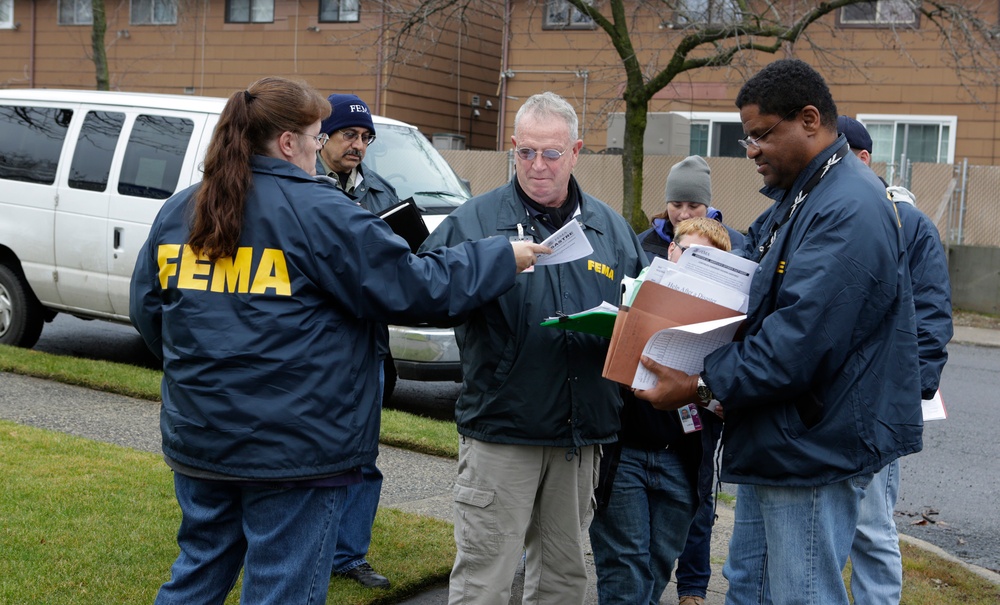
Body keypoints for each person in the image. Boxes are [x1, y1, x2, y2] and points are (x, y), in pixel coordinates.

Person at [129, 76, 548, 605]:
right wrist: (498, 257)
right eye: (314, 137)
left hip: (202, 437)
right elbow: (414, 286)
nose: (316, 149)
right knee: (283, 587)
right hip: (296, 450)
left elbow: (148, 313)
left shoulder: (182, 209)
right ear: (288, 143)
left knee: (197, 572)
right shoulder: (319, 211)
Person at [633, 59, 922, 605]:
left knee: (799, 594)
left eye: (761, 134)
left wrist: (700, 386)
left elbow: (796, 343)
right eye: (747, 137)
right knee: (750, 587)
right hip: (780, 440)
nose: (752, 150)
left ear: (809, 120)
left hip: (811, 448)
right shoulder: (808, 197)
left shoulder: (847, 208)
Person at [420, 91, 647, 605]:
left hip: (579, 436)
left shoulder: (609, 229)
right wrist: (488, 267)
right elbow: (426, 295)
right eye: (526, 152)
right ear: (513, 149)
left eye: (551, 153)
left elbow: (640, 311)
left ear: (575, 152)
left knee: (565, 581)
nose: (538, 165)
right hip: (504, 432)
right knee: (484, 581)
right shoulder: (474, 222)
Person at [837, 115, 953, 605]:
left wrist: (909, 391)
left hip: (882, 399)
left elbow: (930, 315)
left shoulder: (910, 225)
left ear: (863, 160)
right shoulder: (842, 213)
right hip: (836, 398)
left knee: (872, 525)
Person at [589, 216, 731, 605]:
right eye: (689, 253)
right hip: (626, 453)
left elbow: (730, 397)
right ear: (671, 250)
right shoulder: (632, 290)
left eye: (709, 262)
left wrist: (703, 391)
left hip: (682, 459)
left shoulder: (731, 322)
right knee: (625, 563)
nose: (695, 265)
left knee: (656, 564)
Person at [635, 153, 741, 605]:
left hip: (703, 397)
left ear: (708, 207)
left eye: (692, 207)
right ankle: (643, 580)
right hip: (652, 390)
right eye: (676, 204)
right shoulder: (646, 243)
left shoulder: (731, 244)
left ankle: (694, 586)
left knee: (698, 494)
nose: (682, 214)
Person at [315, 93, 396, 589]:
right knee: (313, 457)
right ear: (320, 137)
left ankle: (349, 555)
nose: (358, 145)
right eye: (349, 134)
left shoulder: (380, 193)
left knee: (365, 455)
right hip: (318, 344)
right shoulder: (300, 186)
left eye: (365, 138)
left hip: (369, 343)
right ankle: (307, 548)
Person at [637, 154, 744, 257]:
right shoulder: (642, 243)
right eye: (676, 205)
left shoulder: (737, 244)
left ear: (706, 206)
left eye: (693, 206)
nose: (684, 215)